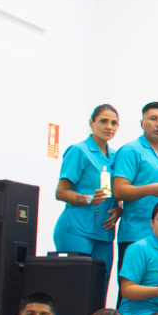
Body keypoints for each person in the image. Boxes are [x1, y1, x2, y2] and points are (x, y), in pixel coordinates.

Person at [53, 103, 120, 270]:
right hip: (76, 230)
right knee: (77, 285)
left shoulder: (116, 156)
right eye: (103, 121)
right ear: (92, 122)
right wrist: (89, 199)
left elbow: (117, 191)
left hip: (104, 234)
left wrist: (119, 209)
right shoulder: (79, 151)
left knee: (100, 287)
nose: (108, 127)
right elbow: (60, 192)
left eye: (114, 123)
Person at [111, 101, 158, 265]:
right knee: (130, 288)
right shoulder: (131, 150)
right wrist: (151, 189)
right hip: (135, 234)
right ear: (142, 123)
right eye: (153, 119)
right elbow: (119, 190)